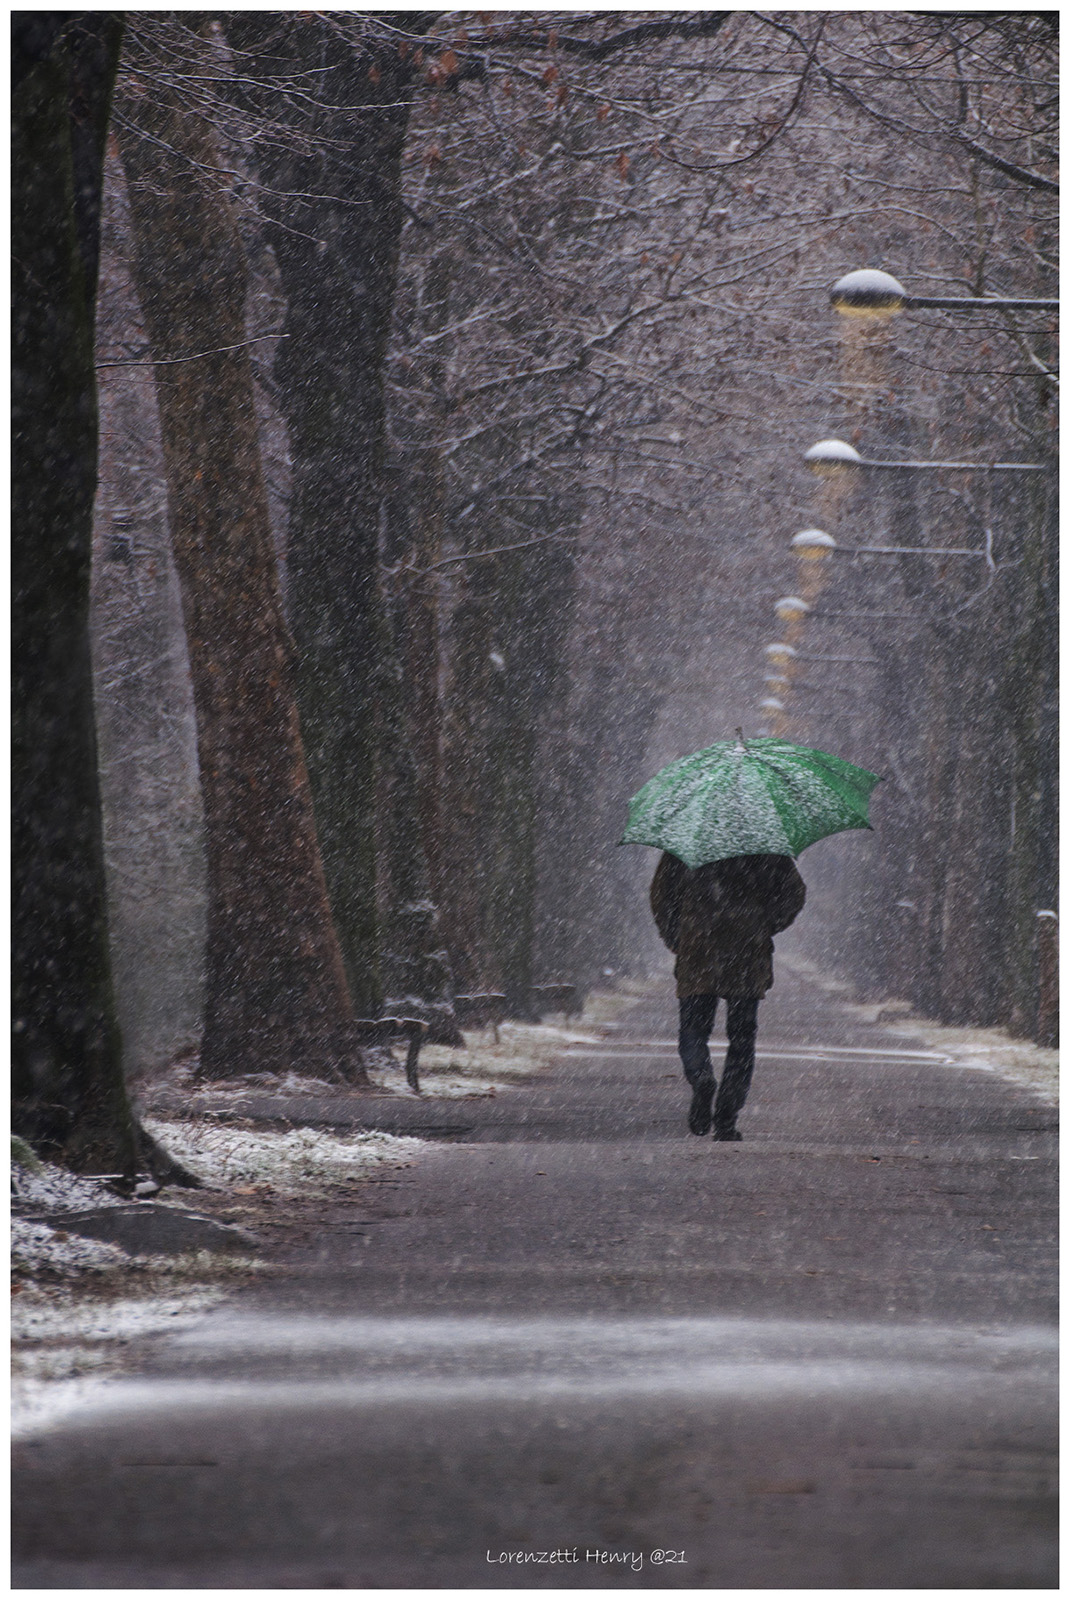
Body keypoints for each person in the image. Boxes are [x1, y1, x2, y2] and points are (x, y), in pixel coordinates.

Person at [650, 852, 806, 1140]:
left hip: (699, 950)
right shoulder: (764, 844)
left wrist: (677, 935)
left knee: (693, 1031)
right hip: (747, 953)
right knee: (742, 1040)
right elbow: (795, 894)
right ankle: (725, 1120)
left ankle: (701, 1078)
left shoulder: (688, 840)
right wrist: (765, 923)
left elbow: (661, 896)